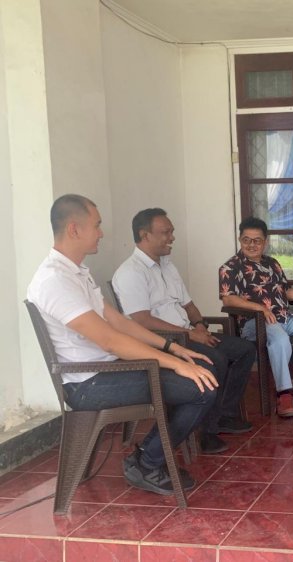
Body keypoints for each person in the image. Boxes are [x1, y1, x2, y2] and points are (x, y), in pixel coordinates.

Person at [27, 194, 218, 496]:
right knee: (200, 388)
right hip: (88, 383)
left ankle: (147, 457)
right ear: (74, 229)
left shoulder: (77, 272)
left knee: (198, 375)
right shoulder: (55, 280)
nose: (102, 233)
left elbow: (118, 321)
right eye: (97, 225)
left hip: (107, 370)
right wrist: (176, 364)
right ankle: (147, 463)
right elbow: (109, 340)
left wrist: (172, 349)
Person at [113, 208, 256, 454]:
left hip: (188, 333)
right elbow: (142, 321)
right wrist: (190, 335)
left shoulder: (168, 266)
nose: (172, 237)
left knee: (244, 350)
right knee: (216, 359)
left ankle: (223, 414)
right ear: (145, 235)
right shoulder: (130, 273)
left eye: (172, 231)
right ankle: (207, 433)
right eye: (166, 232)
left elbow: (188, 305)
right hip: (163, 342)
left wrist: (199, 326)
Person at [219, 217, 293, 418]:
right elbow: (228, 299)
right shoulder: (230, 267)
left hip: (283, 317)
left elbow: (285, 292)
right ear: (240, 239)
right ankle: (284, 394)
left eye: (257, 240)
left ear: (265, 242)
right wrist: (260, 308)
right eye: (246, 240)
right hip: (255, 322)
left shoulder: (272, 263)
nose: (251, 245)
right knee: (280, 339)